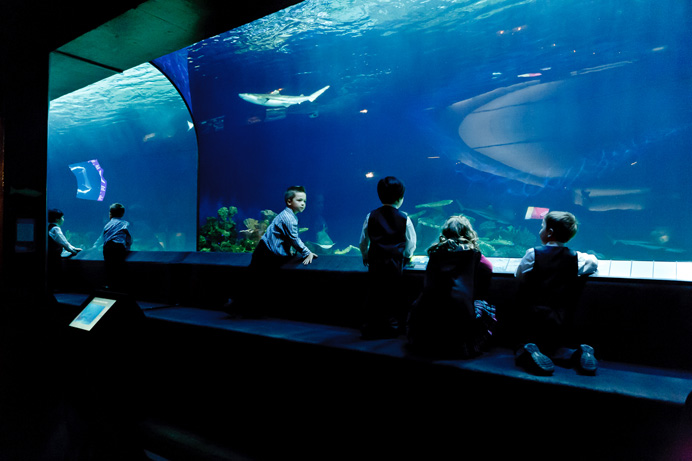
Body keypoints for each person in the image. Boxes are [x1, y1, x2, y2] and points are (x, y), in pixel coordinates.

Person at [512, 211, 599, 376]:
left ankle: (530, 352)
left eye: (542, 226)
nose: (540, 230)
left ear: (549, 232)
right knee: (559, 349)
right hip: (561, 319)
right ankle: (579, 353)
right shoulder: (576, 257)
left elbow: (519, 276)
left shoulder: (533, 253)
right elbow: (593, 262)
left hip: (534, 317)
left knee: (523, 345)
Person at [406, 215, 496, 357]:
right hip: (460, 316)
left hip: (428, 316)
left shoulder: (434, 253)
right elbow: (488, 268)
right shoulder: (474, 253)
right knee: (484, 305)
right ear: (468, 233)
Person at [229, 186, 317, 317]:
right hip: (266, 252)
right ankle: (237, 305)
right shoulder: (289, 218)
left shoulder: (289, 216)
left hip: (266, 249)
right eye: (299, 200)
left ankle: (238, 305)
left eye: (304, 201)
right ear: (289, 201)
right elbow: (294, 239)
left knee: (255, 278)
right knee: (256, 279)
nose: (303, 204)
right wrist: (307, 253)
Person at [359, 176, 416, 339]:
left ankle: (371, 327)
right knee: (393, 297)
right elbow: (411, 242)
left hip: (376, 263)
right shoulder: (405, 217)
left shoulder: (371, 216)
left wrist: (365, 255)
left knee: (375, 296)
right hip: (395, 264)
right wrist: (407, 256)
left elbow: (363, 241)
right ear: (400, 198)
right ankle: (393, 328)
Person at [47, 208, 82, 291]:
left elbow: (64, 242)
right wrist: (73, 251)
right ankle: (56, 289)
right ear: (57, 219)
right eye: (62, 217)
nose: (63, 219)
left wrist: (73, 248)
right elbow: (63, 242)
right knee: (56, 272)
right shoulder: (55, 228)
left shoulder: (49, 227)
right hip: (54, 256)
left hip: (51, 256)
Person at [102, 203, 132, 291]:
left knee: (109, 267)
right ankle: (120, 287)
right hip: (118, 247)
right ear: (122, 214)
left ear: (110, 213)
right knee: (119, 267)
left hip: (107, 247)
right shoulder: (125, 223)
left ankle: (110, 286)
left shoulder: (107, 224)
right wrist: (128, 247)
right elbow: (128, 237)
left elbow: (104, 236)